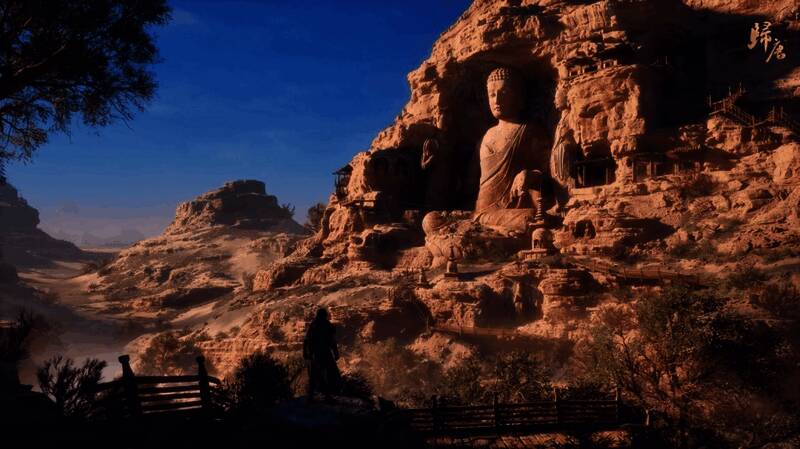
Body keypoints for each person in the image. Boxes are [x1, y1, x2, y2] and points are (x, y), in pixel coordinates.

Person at [303, 307, 340, 402]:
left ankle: (311, 395)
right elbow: (332, 341)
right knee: (329, 374)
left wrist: (306, 353)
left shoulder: (313, 325)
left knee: (314, 375)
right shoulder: (328, 326)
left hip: (315, 353)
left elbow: (306, 340)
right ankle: (326, 396)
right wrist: (336, 353)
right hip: (325, 353)